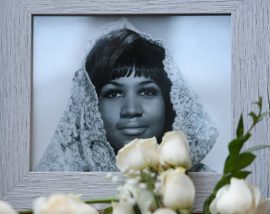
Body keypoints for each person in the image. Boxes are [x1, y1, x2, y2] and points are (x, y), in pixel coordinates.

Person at [34, 24, 218, 172]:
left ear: (169, 102)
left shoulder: (205, 188)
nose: (131, 109)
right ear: (91, 107)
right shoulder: (57, 186)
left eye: (147, 92)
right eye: (114, 93)